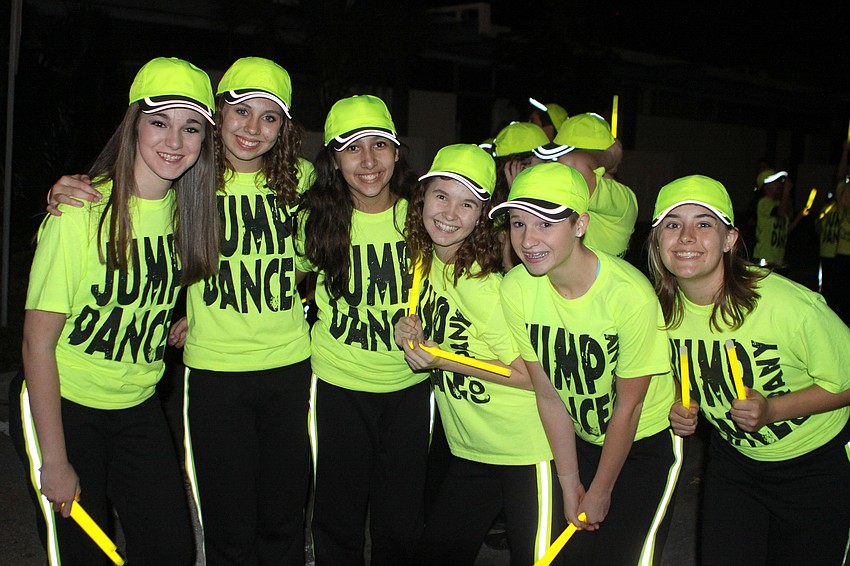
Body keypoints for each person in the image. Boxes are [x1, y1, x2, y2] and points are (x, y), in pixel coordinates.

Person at [44, 56, 317, 564]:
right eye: (240, 111)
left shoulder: (301, 181)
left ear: (285, 129)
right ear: (218, 116)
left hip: (287, 366)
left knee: (283, 521)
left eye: (269, 116)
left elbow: (312, 261)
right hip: (214, 373)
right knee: (227, 525)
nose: (252, 128)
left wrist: (225, 302)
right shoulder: (189, 181)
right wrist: (64, 190)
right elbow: (134, 208)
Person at [18, 56, 219, 565]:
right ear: (133, 126)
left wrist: (190, 317)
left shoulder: (191, 215)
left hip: (140, 407)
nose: (174, 141)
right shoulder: (79, 213)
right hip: (68, 406)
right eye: (159, 122)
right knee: (85, 554)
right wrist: (55, 459)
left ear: (203, 142)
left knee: (172, 548)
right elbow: (36, 343)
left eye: (190, 127)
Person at [649, 175, 850, 565]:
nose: (687, 237)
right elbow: (674, 369)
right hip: (734, 465)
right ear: (657, 240)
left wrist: (774, 410)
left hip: (815, 467)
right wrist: (678, 401)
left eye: (704, 224)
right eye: (673, 224)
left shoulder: (788, 305)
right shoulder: (656, 310)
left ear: (729, 239)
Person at [492, 162, 681, 565]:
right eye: (518, 223)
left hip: (641, 444)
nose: (528, 239)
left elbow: (628, 409)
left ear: (580, 225)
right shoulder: (517, 288)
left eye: (545, 224)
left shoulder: (629, 295)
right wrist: (571, 482)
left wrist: (600, 489)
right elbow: (548, 395)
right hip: (579, 440)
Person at [394, 144, 563, 565]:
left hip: (527, 451)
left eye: (467, 203)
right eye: (442, 196)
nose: (451, 213)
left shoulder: (484, 286)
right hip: (472, 448)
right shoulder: (427, 261)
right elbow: (439, 329)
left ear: (483, 217)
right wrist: (406, 326)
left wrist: (442, 361)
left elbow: (530, 375)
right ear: (422, 198)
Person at [296, 94, 429, 565]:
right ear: (333, 159)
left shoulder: (423, 217)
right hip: (338, 386)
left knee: (400, 521)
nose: (368, 161)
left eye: (379, 145)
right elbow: (265, 272)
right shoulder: (315, 219)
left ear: (397, 153)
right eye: (352, 148)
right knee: (337, 519)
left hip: (410, 389)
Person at [532, 112, 637, 258]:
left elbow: (573, 162)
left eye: (558, 159)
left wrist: (610, 157)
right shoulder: (571, 189)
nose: (554, 164)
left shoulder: (622, 198)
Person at [752, 168, 804, 269]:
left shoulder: (779, 204)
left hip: (778, 259)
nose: (779, 185)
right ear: (765, 186)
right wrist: (786, 191)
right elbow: (780, 212)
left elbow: (785, 230)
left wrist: (800, 216)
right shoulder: (764, 203)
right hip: (764, 258)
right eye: (774, 182)